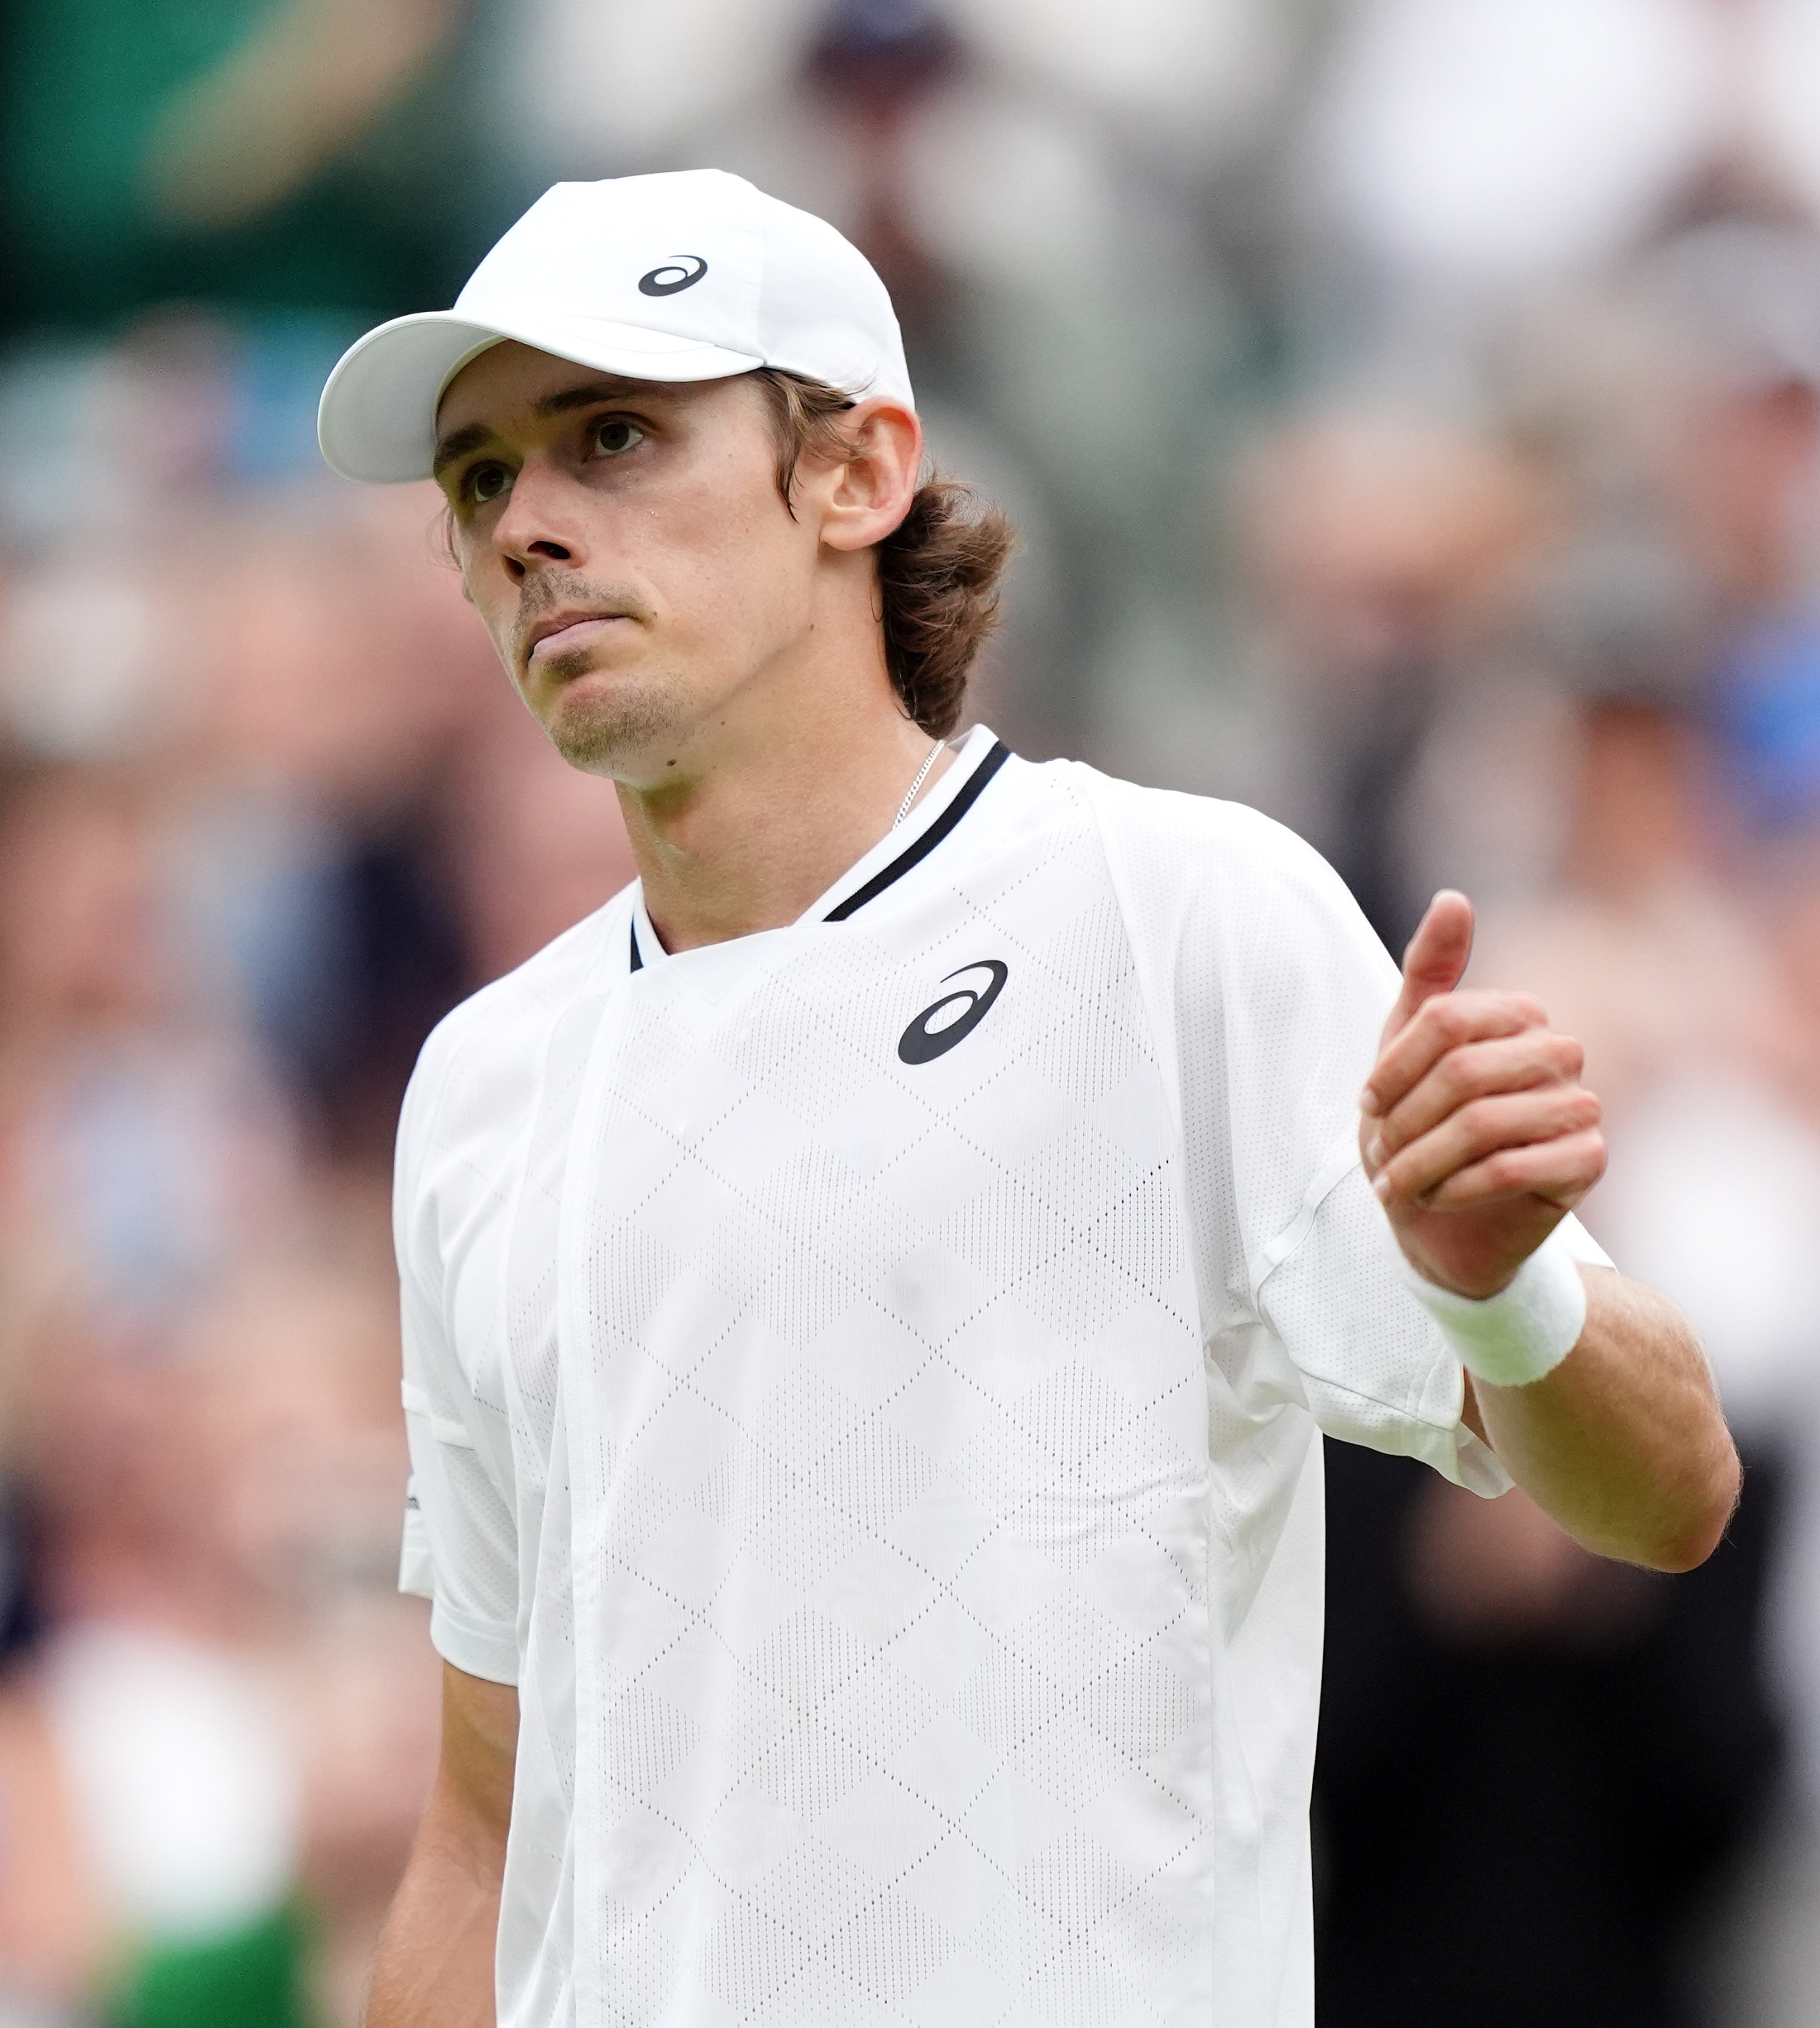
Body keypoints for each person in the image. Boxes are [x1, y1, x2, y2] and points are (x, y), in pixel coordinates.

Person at [312, 169, 1739, 2026]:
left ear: (854, 472)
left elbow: (1667, 1491)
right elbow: (488, 1830)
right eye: (482, 478)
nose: (526, 527)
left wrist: (1497, 1281)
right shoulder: (481, 1090)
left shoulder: (1176, 916)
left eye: (610, 436)